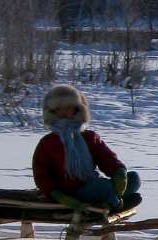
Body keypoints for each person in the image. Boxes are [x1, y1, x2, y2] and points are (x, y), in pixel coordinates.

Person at [32, 84, 142, 213]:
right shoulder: (48, 143)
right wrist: (57, 194)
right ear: (52, 111)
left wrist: (118, 172)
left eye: (69, 108)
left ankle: (111, 198)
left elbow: (106, 158)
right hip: (70, 192)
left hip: (92, 184)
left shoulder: (89, 137)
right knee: (103, 187)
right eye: (59, 109)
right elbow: (41, 175)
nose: (65, 112)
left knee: (134, 178)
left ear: (77, 109)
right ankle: (116, 204)